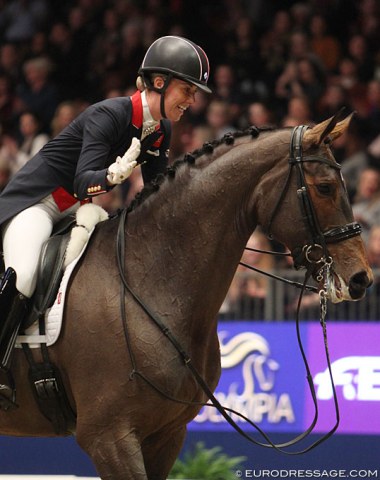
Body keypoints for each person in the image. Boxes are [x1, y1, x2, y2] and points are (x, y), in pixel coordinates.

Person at [0, 35, 211, 396]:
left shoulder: (161, 128)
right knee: (25, 275)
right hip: (38, 203)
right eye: (187, 91)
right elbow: (84, 181)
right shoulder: (108, 114)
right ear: (159, 83)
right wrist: (112, 176)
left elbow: (156, 192)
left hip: (77, 211)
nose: (192, 101)